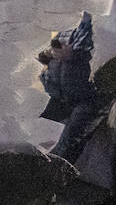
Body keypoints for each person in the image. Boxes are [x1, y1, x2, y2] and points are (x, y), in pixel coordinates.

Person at [39, 11, 104, 165]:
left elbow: (101, 53)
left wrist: (73, 55)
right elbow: (55, 49)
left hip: (88, 97)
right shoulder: (70, 18)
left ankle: (55, 177)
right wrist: (48, 55)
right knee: (36, 130)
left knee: (66, 145)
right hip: (59, 95)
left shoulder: (102, 19)